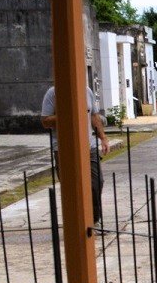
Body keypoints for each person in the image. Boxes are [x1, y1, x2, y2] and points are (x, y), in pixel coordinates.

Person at [41, 85, 109, 224]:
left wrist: (103, 137)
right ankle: (76, 223)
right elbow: (45, 121)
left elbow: (94, 116)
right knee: (70, 188)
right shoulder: (53, 93)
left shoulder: (86, 90)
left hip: (89, 146)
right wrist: (68, 113)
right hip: (64, 148)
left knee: (96, 183)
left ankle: (93, 221)